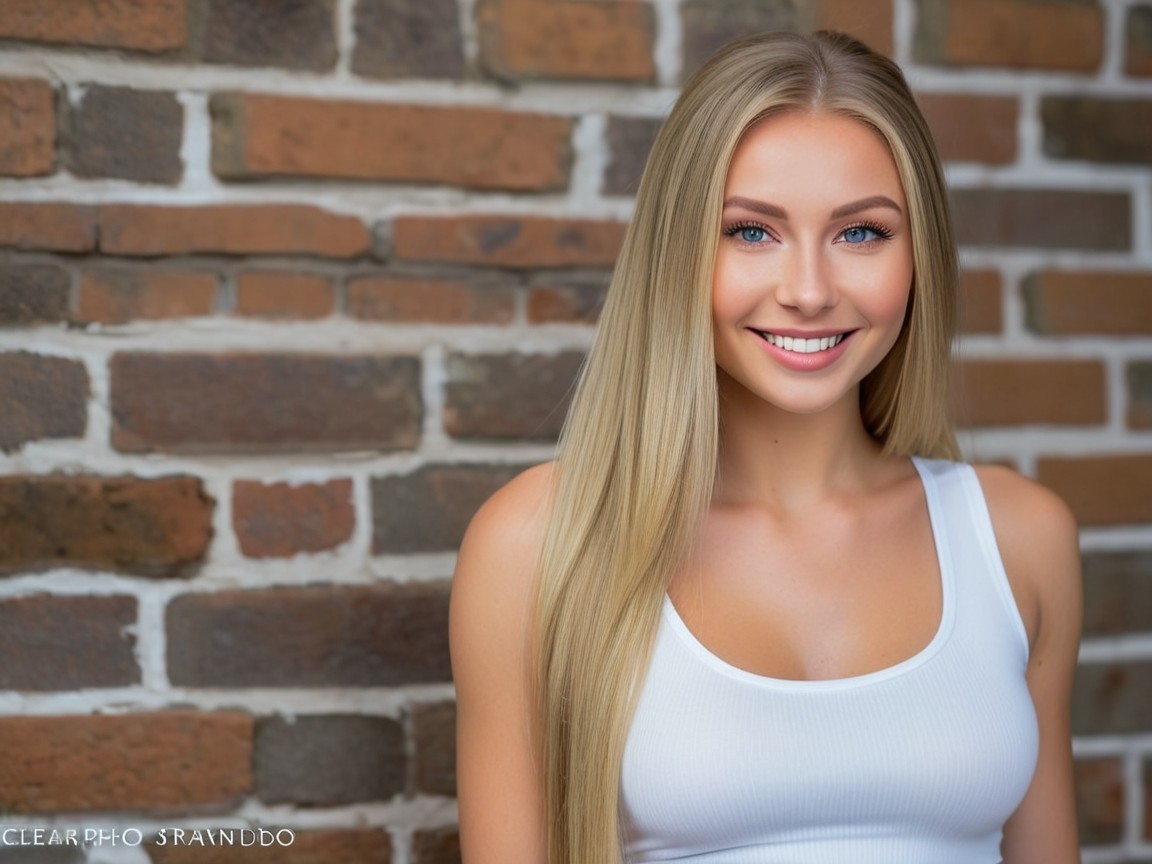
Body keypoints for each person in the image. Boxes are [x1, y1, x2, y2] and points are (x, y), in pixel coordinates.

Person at [450, 30, 1082, 864]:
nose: (809, 292)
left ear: (919, 256)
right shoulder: (536, 544)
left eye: (861, 234)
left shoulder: (1020, 537)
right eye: (752, 232)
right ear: (680, 252)